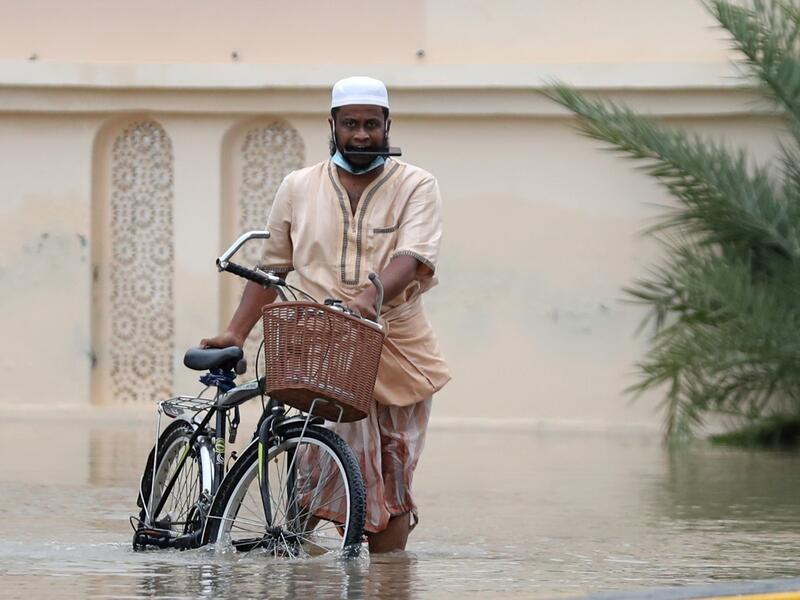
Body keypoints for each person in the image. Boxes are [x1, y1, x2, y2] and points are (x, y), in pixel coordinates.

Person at [201, 76, 450, 553]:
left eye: (371, 125)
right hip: (324, 350)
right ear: (332, 125)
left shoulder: (418, 184)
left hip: (400, 351)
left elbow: (414, 258)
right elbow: (273, 269)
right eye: (351, 124)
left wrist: (369, 298)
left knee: (394, 488)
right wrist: (234, 333)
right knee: (315, 476)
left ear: (387, 125)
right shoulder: (297, 186)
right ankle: (296, 565)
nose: (361, 135)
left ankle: (385, 582)